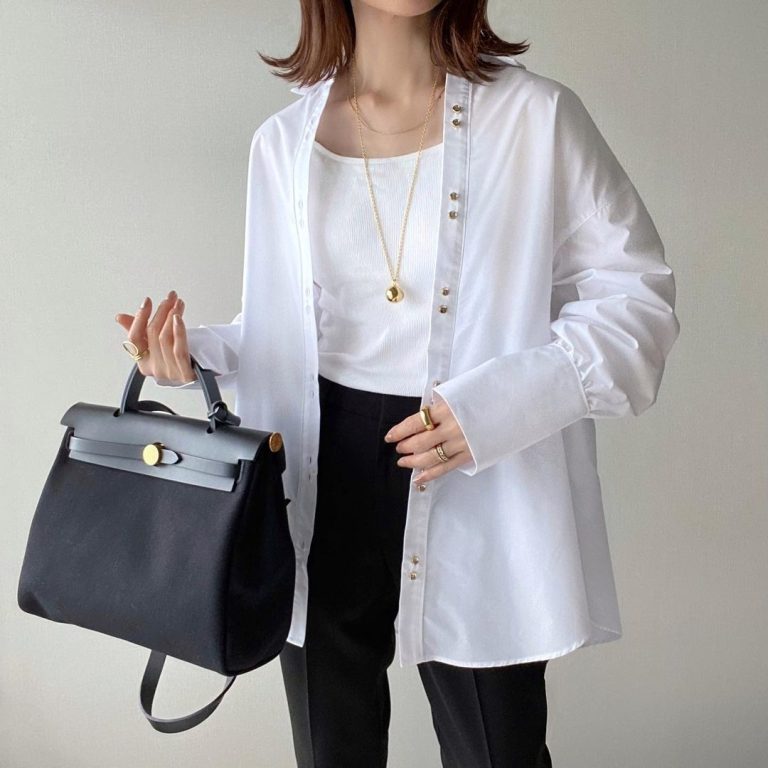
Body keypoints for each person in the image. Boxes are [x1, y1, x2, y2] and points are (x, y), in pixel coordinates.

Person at [115, 1, 680, 765]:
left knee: (498, 751)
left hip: (473, 466)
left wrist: (496, 409)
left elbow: (637, 300)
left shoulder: (536, 119)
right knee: (331, 750)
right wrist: (192, 357)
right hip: (318, 477)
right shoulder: (284, 142)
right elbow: (284, 331)